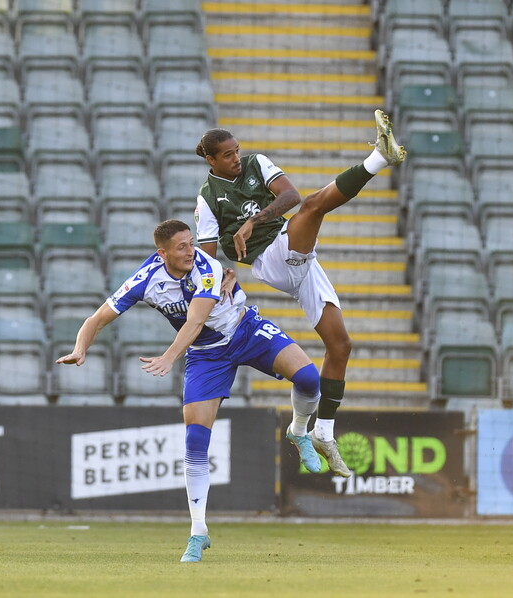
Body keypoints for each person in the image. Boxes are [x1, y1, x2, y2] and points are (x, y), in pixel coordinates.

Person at [55, 219, 324, 563]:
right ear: (162, 253)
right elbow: (95, 320)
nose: (190, 251)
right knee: (195, 439)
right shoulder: (145, 280)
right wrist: (81, 349)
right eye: (181, 247)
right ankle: (198, 532)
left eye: (191, 243)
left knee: (309, 379)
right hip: (206, 356)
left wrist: (169, 357)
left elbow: (196, 321)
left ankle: (299, 431)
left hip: (244, 329)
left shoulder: (207, 267)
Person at [193, 110, 406, 478]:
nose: (235, 158)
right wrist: (226, 273)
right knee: (314, 207)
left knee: (340, 345)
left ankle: (321, 431)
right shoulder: (208, 199)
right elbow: (207, 257)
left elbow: (288, 195)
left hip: (296, 252)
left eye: (236, 150)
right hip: (272, 260)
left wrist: (252, 221)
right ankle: (379, 159)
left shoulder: (255, 163)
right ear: (211, 160)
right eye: (227, 155)